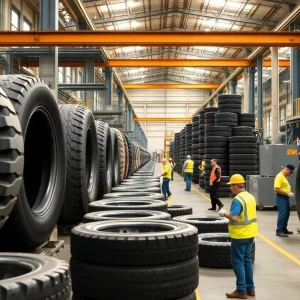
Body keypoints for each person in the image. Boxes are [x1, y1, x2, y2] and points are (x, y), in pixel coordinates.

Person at [219, 174, 258, 299]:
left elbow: (234, 216)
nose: (230, 188)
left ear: (236, 186)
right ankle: (250, 288)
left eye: (231, 186)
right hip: (250, 233)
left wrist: (224, 213)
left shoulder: (238, 199)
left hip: (240, 234)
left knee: (238, 262)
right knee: (247, 261)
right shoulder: (250, 196)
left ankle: (241, 290)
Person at [274, 164, 295, 237]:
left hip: (285, 197)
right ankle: (279, 230)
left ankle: (284, 229)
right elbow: (276, 189)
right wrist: (287, 193)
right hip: (281, 197)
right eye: (290, 172)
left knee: (286, 214)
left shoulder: (284, 177)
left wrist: (288, 193)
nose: (290, 174)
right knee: (282, 214)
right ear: (287, 169)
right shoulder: (279, 177)